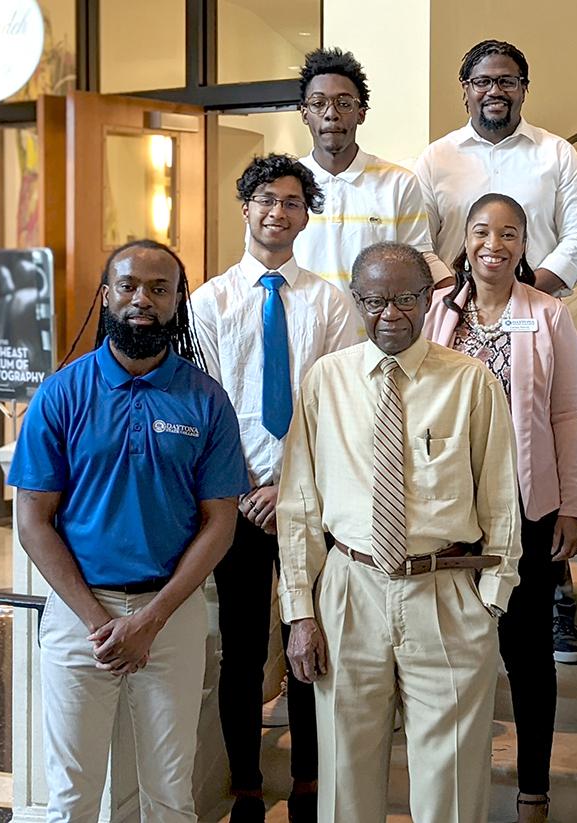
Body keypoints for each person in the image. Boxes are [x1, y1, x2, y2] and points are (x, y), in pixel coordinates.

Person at [276, 241, 522, 823]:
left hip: (447, 592)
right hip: (348, 589)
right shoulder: (324, 381)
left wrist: (492, 601)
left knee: (453, 786)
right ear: (356, 300)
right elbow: (299, 505)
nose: (392, 313)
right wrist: (299, 612)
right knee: (345, 776)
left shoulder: (470, 381)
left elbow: (501, 498)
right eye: (376, 300)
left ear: (429, 297)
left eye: (407, 298)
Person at [9, 239, 249, 822]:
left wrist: (150, 621)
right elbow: (33, 521)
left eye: (159, 289)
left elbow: (220, 524)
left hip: (171, 616)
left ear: (177, 302)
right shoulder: (62, 393)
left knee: (170, 792)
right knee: (73, 796)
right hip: (77, 617)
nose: (142, 299)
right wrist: (101, 624)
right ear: (107, 295)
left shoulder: (205, 400)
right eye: (128, 286)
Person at [191, 154, 358, 822]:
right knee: (240, 648)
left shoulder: (329, 301)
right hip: (235, 501)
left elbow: (339, 406)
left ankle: (312, 780)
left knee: (309, 643)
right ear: (245, 206)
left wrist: (289, 485)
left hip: (309, 501)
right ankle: (247, 784)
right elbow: (207, 405)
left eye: (292, 201)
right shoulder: (210, 301)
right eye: (266, 198)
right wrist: (242, 486)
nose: (277, 211)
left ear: (305, 215)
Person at [423, 193, 577, 823]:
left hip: (525, 508)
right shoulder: (436, 310)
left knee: (526, 651)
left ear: (526, 245)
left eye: (510, 233)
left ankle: (533, 790)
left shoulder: (547, 314)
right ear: (463, 241)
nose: (494, 244)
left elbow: (570, 414)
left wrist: (571, 505)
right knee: (452, 653)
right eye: (482, 231)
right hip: (445, 509)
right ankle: (449, 785)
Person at [416, 39, 577, 295]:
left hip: (538, 310)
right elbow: (419, 243)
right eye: (482, 82)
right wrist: (460, 299)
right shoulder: (436, 158)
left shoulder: (557, 154)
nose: (494, 91)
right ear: (466, 90)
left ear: (524, 89)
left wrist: (526, 296)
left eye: (507, 81)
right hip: (454, 312)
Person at [291, 48, 450, 306]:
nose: (331, 113)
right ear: (304, 113)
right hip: (304, 338)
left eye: (344, 103)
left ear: (361, 113)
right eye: (318, 103)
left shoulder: (398, 183)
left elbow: (419, 260)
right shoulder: (286, 185)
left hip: (374, 341)